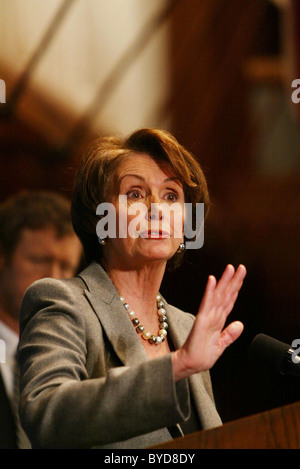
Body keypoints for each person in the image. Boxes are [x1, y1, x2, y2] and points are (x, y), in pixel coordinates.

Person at [18, 129, 247, 449]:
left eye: (171, 196)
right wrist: (177, 366)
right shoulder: (63, 304)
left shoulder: (186, 326)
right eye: (136, 194)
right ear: (101, 220)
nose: (157, 209)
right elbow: (46, 415)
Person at [0, 191, 82, 449]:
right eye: (39, 261)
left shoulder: (80, 360)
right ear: (2, 259)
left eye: (66, 267)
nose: (53, 280)